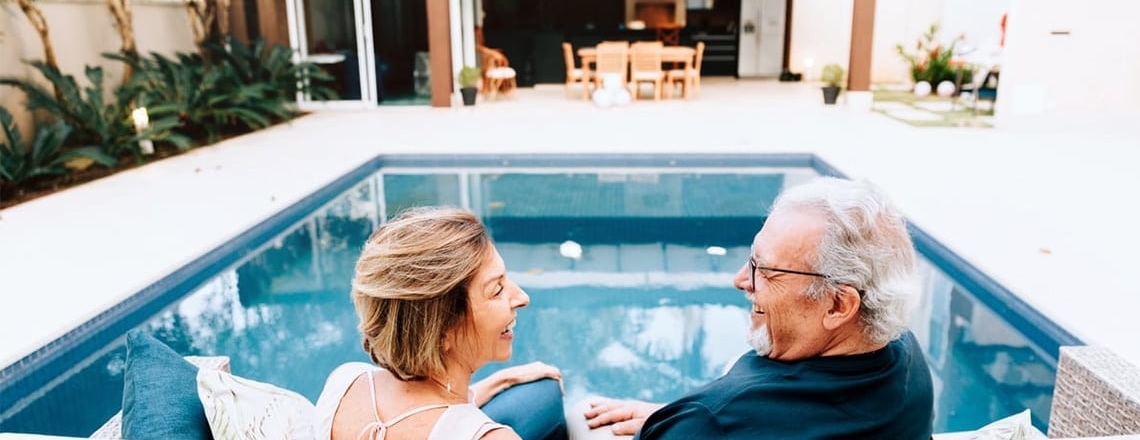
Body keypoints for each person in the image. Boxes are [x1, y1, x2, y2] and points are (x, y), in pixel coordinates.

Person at [576, 177, 934, 440]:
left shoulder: (717, 422)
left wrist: (695, 423)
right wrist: (676, 418)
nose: (741, 280)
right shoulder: (908, 363)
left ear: (839, 304)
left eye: (764, 269)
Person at [315, 206, 569, 440]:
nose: (522, 298)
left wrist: (500, 381)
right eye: (497, 290)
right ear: (441, 330)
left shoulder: (345, 384)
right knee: (543, 399)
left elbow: (430, 418)